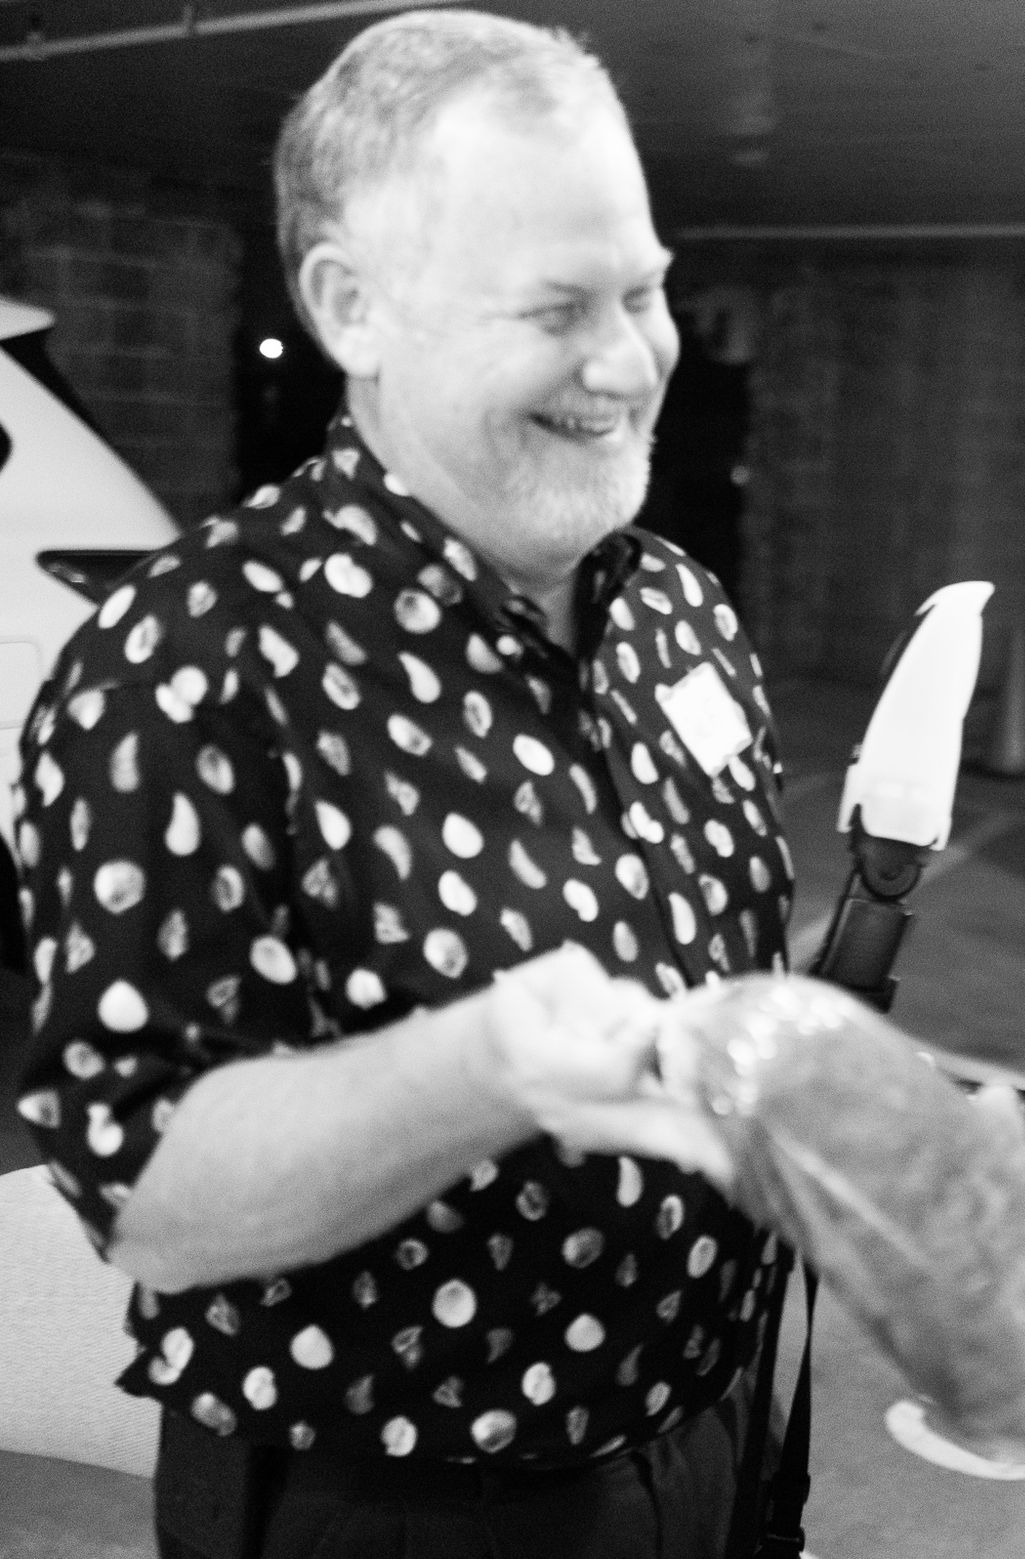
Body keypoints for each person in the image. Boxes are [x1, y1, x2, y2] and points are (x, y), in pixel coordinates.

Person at [12, 12, 797, 1557]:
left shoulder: (678, 612)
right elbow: (149, 1198)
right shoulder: (194, 662)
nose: (629, 360)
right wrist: (481, 1070)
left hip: (709, 1442)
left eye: (644, 290)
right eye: (556, 307)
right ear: (351, 307)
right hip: (402, 1500)